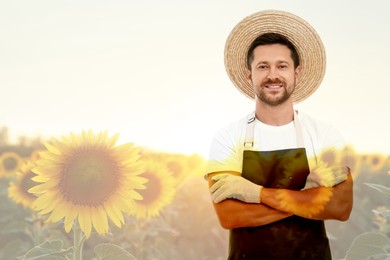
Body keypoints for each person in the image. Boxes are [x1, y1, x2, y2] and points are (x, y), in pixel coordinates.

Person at [205, 10, 353, 260]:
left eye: (282, 66)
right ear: (249, 74)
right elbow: (229, 216)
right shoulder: (227, 137)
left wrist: (256, 194)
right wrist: (307, 197)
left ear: (297, 72)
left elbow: (340, 207)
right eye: (263, 66)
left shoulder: (325, 135)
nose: (273, 75)